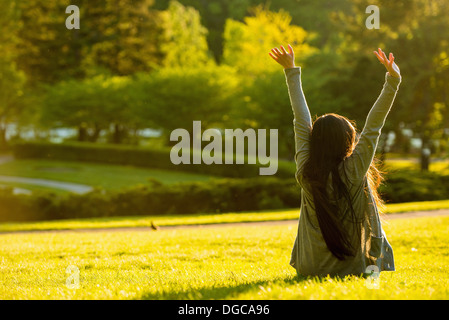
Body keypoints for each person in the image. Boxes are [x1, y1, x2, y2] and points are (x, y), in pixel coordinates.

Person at [269, 45, 401, 277]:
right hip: (353, 269)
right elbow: (373, 126)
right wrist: (393, 80)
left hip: (309, 268)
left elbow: (300, 119)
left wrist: (291, 69)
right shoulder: (354, 170)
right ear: (348, 141)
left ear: (314, 141)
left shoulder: (306, 171)